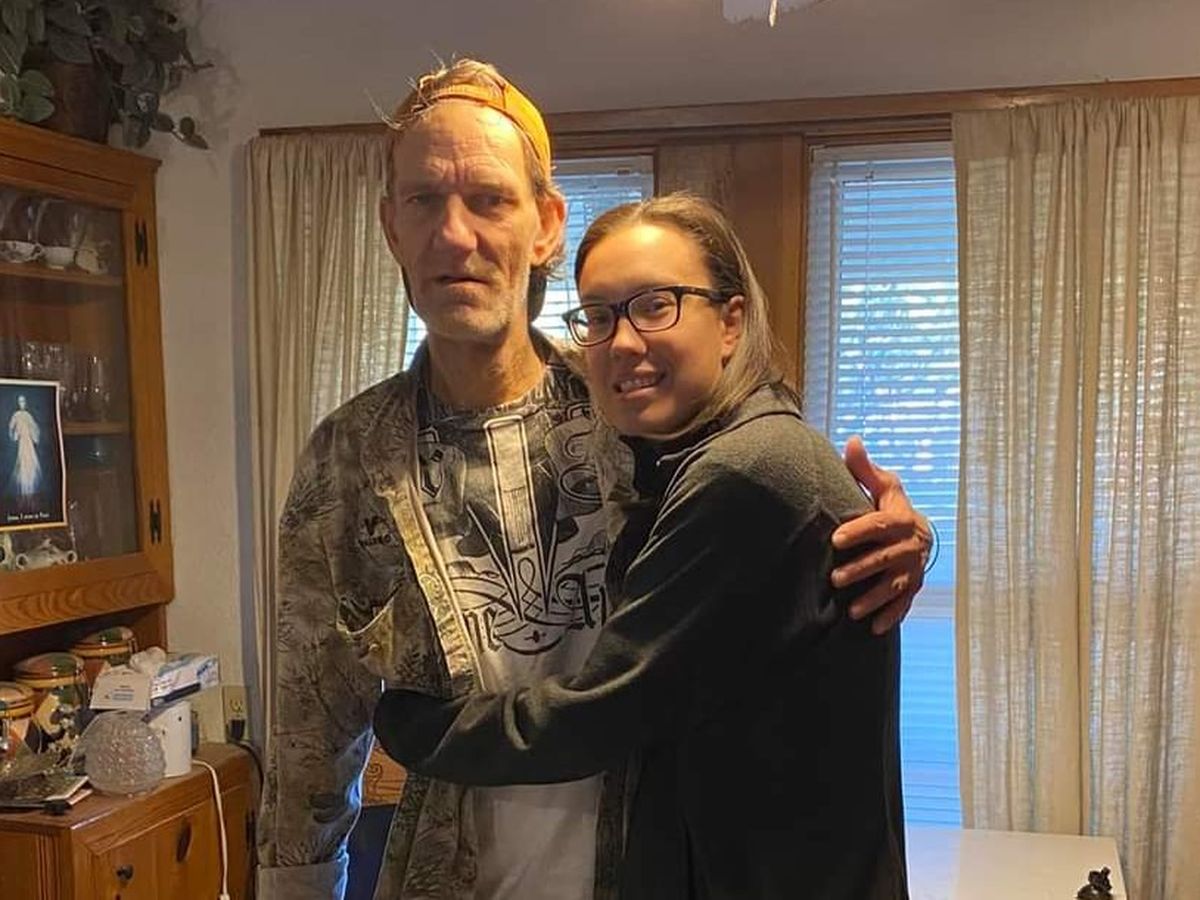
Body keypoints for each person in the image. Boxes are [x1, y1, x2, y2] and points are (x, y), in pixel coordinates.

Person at [256, 59, 930, 900]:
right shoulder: (349, 457)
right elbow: (309, 723)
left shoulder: (637, 406)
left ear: (545, 225)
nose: (454, 236)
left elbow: (782, 504)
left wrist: (897, 542)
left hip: (653, 872)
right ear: (392, 226)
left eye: (488, 199)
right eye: (424, 199)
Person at [373, 193, 908, 899]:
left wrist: (408, 724)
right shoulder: (716, 454)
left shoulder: (744, 474)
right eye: (598, 316)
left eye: (656, 306)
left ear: (731, 322)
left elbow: (598, 715)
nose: (623, 342)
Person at [7, 394, 42, 508]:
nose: (22, 403)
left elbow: (35, 428)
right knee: (22, 468)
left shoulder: (28, 415)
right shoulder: (16, 415)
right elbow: (11, 428)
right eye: (20, 401)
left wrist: (34, 434)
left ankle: (31, 497)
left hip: (29, 444)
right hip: (22, 444)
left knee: (31, 466)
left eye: (23, 401)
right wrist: (15, 434)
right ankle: (23, 497)